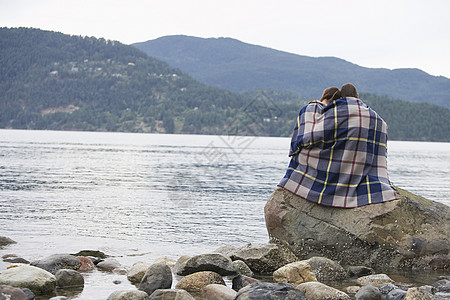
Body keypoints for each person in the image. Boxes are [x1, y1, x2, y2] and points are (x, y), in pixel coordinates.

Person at [279, 83, 398, 208]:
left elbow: (311, 137)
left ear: (341, 97)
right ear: (357, 96)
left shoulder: (336, 112)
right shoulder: (377, 118)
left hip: (335, 172)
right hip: (365, 173)